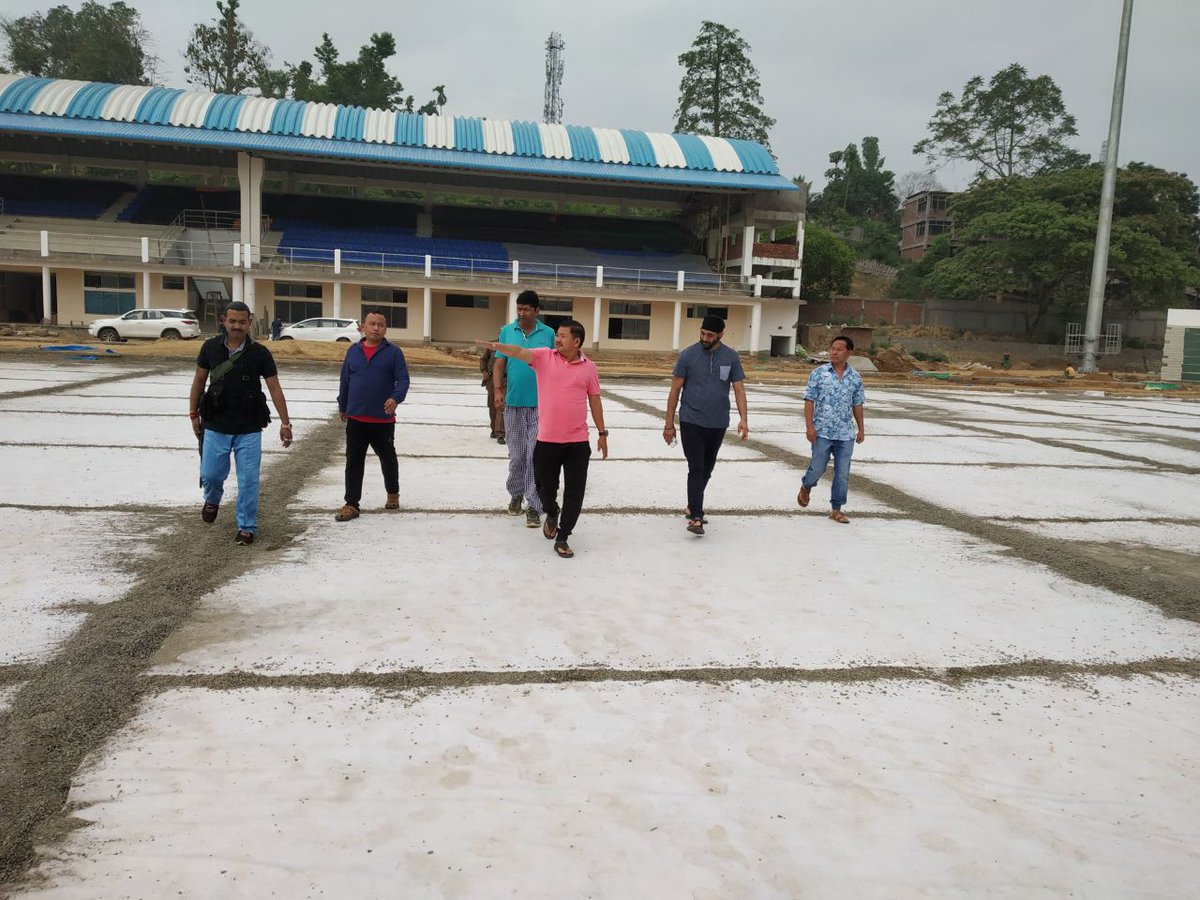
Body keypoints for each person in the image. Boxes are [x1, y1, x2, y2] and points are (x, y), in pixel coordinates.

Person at [477, 319, 607, 559]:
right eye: (557, 335)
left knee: (575, 492)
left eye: (563, 336)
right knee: (544, 487)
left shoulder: (590, 368)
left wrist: (602, 433)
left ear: (576, 342)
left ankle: (563, 536)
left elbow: (595, 400)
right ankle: (551, 510)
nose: (557, 339)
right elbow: (518, 351)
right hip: (546, 440)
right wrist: (499, 346)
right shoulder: (544, 357)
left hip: (577, 442)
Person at [189, 301, 293, 545]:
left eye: (242, 322)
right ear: (224, 320)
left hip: (249, 426)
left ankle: (246, 526)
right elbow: (198, 381)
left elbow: (275, 388)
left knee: (249, 480)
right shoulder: (210, 348)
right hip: (215, 423)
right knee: (211, 475)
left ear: (250, 322)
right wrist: (194, 414)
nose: (237, 326)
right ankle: (212, 499)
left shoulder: (260, 354)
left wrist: (286, 423)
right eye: (232, 321)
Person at [663, 315, 748, 536]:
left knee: (707, 468)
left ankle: (693, 504)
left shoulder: (731, 357)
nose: (704, 338)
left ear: (720, 334)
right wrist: (669, 424)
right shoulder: (688, 355)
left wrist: (744, 419)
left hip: (718, 423)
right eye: (702, 333)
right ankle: (696, 517)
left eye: (709, 335)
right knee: (697, 467)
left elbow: (739, 389)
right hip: (691, 420)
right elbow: (675, 390)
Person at [335, 310, 410, 521]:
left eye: (380, 324)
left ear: (385, 329)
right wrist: (343, 405)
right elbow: (345, 380)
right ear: (363, 327)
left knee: (387, 458)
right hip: (357, 418)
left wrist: (395, 398)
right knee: (354, 461)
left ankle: (392, 493)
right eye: (372, 324)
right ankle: (351, 503)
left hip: (382, 419)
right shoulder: (353, 351)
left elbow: (403, 380)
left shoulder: (393, 352)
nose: (376, 328)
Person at [493, 290, 555, 528]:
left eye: (527, 309)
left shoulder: (548, 334)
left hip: (541, 406)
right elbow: (499, 364)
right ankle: (515, 493)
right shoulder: (507, 331)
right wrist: (498, 391)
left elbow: (556, 365)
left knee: (534, 456)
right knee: (517, 455)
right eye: (519, 308)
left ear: (537, 311)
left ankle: (534, 505)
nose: (522, 313)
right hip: (514, 404)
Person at [797, 335, 865, 524]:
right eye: (832, 348)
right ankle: (807, 485)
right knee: (817, 468)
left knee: (842, 473)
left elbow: (857, 404)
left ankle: (836, 509)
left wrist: (861, 429)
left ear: (849, 353)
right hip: (822, 431)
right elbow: (809, 400)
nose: (833, 352)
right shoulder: (819, 373)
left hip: (845, 434)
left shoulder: (855, 378)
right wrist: (809, 426)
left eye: (839, 349)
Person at [480, 346, 505, 443]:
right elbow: (483, 359)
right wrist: (484, 371)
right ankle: (494, 429)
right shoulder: (492, 346)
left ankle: (500, 433)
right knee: (492, 404)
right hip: (492, 379)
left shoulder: (512, 344)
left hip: (506, 379)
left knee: (501, 405)